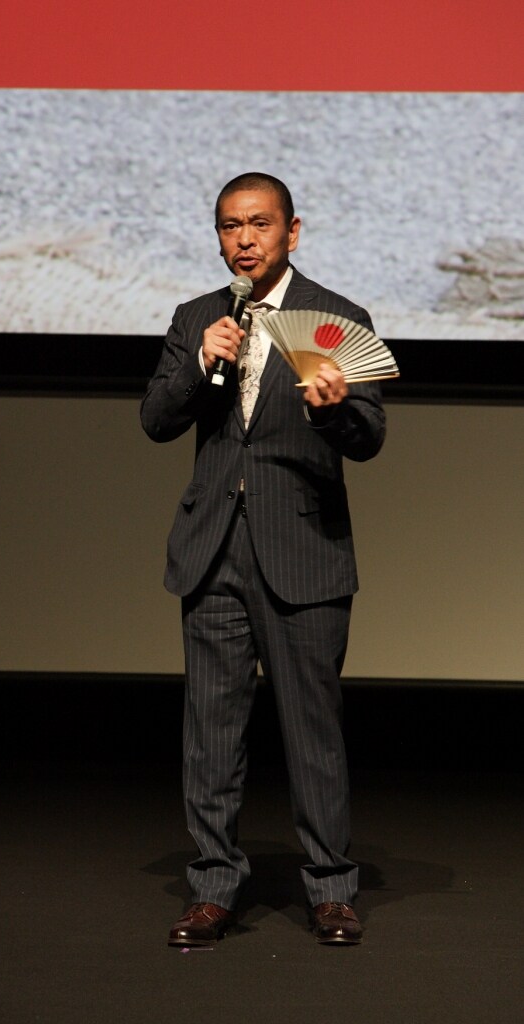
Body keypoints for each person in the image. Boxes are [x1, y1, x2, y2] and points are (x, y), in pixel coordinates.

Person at [140, 173, 386, 946]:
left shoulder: (336, 317)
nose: (243, 239)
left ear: (291, 231)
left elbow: (368, 438)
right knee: (211, 731)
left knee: (311, 730)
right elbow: (155, 420)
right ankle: (213, 885)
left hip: (302, 549)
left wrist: (335, 409)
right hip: (212, 548)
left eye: (258, 224)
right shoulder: (196, 317)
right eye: (228, 226)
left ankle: (330, 888)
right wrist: (197, 363)